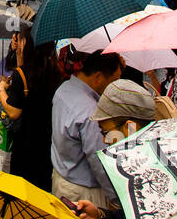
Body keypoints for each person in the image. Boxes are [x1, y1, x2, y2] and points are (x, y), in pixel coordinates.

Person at [50, 49, 125, 207]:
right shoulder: (90, 112)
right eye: (114, 80)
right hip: (83, 193)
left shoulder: (64, 89)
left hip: (61, 178)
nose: (115, 87)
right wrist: (118, 200)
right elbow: (99, 162)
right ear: (98, 77)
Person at [0, 13, 61, 191]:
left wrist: (1, 90)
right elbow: (23, 74)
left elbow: (13, 111)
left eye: (24, 41)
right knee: (42, 186)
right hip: (47, 139)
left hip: (26, 142)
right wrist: (18, 53)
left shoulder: (23, 74)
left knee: (24, 188)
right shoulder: (53, 70)